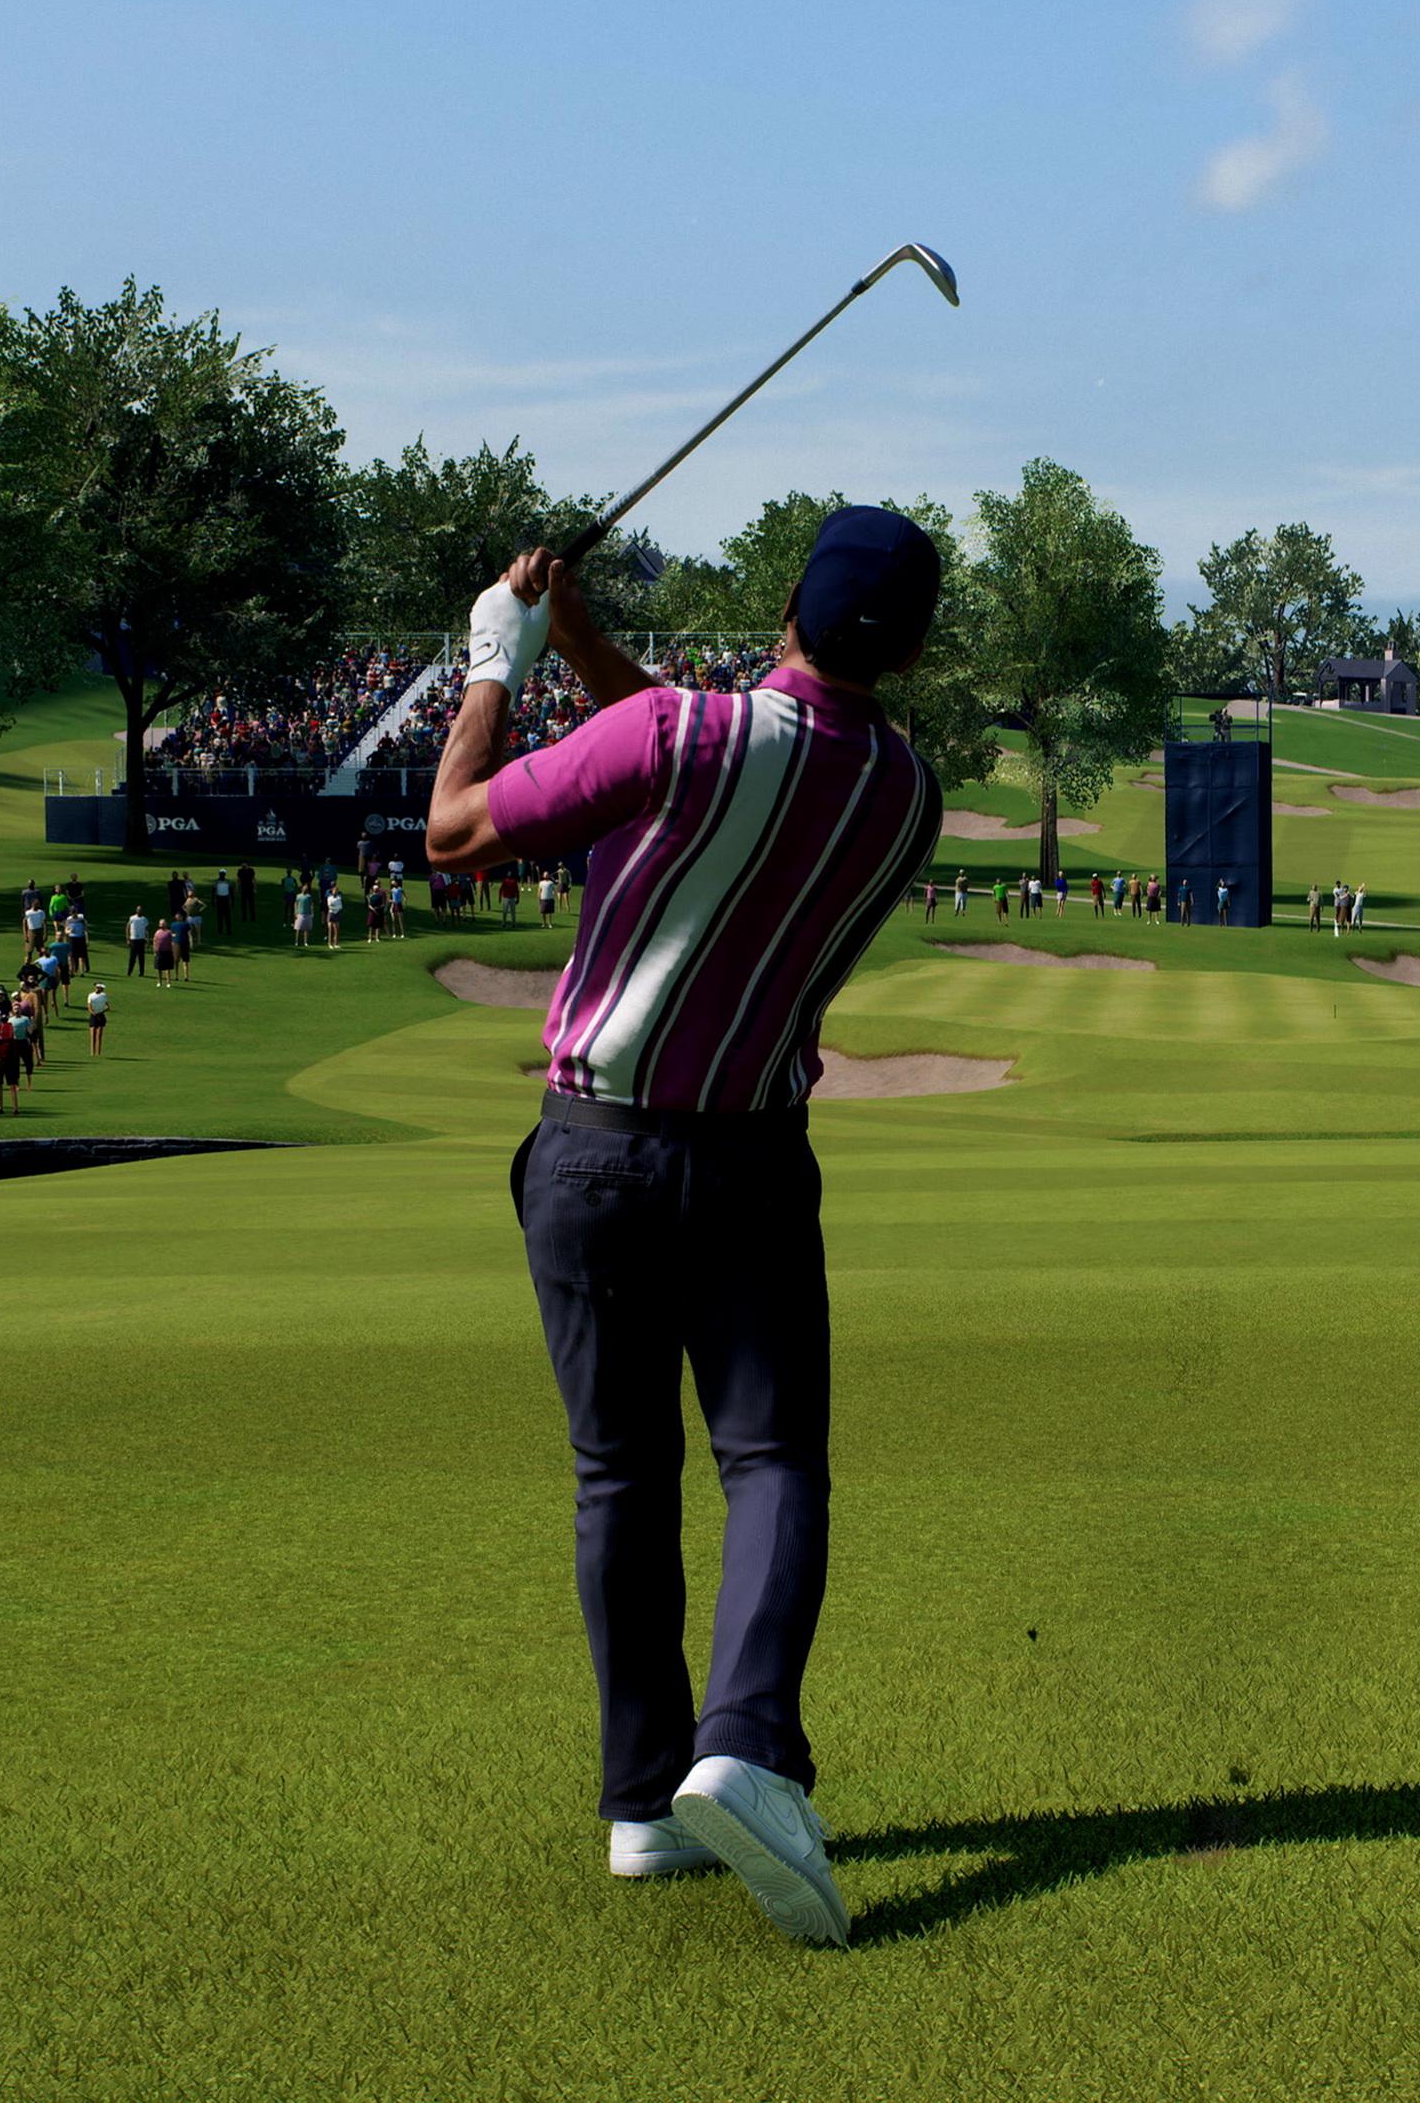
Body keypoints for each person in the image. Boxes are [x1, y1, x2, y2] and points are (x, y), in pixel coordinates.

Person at [425, 510, 947, 1944]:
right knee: (769, 1458)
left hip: (593, 1152)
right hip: (753, 1161)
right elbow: (702, 749)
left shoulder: (679, 733)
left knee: (621, 1477)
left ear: (787, 603)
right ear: (908, 653)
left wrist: (496, 660)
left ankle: (647, 1802)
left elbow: (455, 831)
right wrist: (584, 642)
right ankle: (747, 1745)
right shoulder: (907, 792)